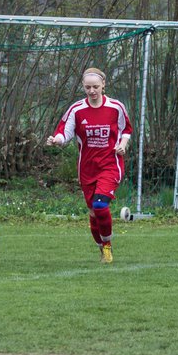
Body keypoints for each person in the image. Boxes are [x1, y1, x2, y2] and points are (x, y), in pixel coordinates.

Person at [48, 67, 131, 264]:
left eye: (95, 86)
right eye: (88, 87)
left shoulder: (116, 107)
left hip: (110, 164)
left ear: (103, 85)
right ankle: (101, 248)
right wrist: (57, 140)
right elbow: (65, 132)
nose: (92, 91)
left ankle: (108, 246)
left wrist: (122, 145)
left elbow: (126, 129)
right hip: (87, 168)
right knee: (93, 213)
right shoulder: (77, 109)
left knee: (100, 206)